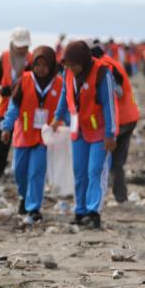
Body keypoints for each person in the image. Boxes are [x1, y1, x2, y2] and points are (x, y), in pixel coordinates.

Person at [50, 41, 116, 229]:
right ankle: (80, 210)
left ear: (84, 61)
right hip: (77, 129)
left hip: (99, 131)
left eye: (74, 65)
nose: (71, 68)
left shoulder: (102, 74)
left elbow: (109, 105)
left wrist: (110, 134)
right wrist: (57, 117)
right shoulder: (68, 73)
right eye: (68, 65)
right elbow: (65, 95)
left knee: (94, 170)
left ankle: (93, 212)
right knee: (79, 172)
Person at [0, 46, 62, 224]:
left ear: (51, 66)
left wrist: (67, 127)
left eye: (45, 65)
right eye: (37, 65)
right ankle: (23, 197)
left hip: (44, 136)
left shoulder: (58, 84)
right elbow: (13, 107)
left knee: (37, 171)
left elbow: (63, 110)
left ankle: (34, 208)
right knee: (19, 171)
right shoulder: (24, 80)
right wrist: (6, 127)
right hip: (23, 134)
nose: (40, 69)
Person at [91, 44, 139, 204]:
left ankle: (102, 198)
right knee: (117, 163)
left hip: (122, 119)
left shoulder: (105, 67)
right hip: (130, 116)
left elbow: (117, 91)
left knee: (108, 161)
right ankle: (121, 198)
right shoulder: (111, 61)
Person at [0, 27, 32, 181]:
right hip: (4, 107)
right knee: (2, 142)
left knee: (23, 142)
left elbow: (22, 85)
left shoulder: (32, 60)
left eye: (24, 46)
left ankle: (20, 174)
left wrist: (1, 90)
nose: (22, 49)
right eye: (19, 46)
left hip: (24, 107)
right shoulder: (4, 57)